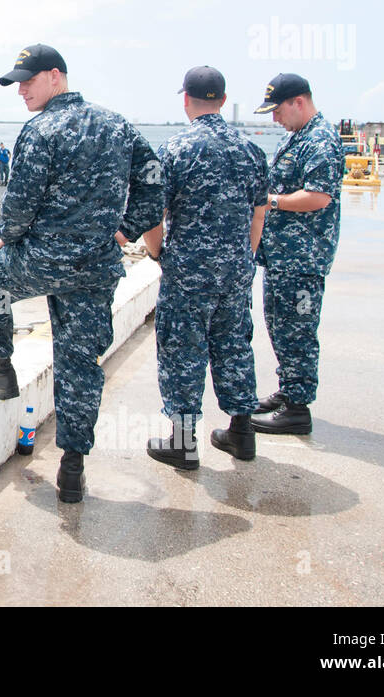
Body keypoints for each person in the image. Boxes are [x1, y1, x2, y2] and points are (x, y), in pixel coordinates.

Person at [0, 44, 164, 504]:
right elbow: (154, 180)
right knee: (80, 362)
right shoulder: (118, 124)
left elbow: (19, 203)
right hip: (95, 267)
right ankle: (73, 468)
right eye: (18, 84)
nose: (22, 91)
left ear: (56, 77)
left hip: (43, 259)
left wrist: (7, 237)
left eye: (28, 81)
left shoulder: (41, 129)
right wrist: (126, 230)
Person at [138, 67, 269, 469]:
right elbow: (259, 216)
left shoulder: (175, 150)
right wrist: (242, 260)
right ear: (223, 102)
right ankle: (242, 432)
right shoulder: (251, 151)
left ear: (185, 100)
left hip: (187, 273)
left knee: (182, 350)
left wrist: (160, 254)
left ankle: (183, 443)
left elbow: (150, 215)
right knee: (234, 346)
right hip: (234, 271)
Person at [249, 73, 344, 435]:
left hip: (302, 259)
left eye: (278, 111)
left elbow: (319, 196)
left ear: (298, 102)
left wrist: (271, 202)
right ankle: (289, 391)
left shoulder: (320, 139)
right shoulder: (300, 137)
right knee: (280, 326)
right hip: (284, 256)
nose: (275, 119)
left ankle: (298, 409)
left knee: (298, 331)